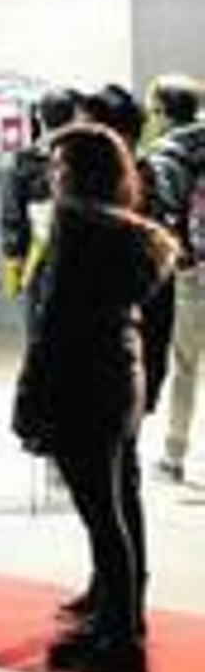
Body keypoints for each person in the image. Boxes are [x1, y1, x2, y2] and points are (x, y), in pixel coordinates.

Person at [13, 123, 176, 672]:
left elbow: (54, 324)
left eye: (60, 166)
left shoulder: (76, 228)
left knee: (102, 514)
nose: (52, 176)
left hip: (82, 382)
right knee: (118, 503)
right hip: (118, 374)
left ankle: (121, 642)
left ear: (77, 173)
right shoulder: (132, 232)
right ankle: (118, 620)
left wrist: (29, 399)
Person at [140, 74, 205, 482]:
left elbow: (160, 216)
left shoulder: (164, 154)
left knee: (186, 365)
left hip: (193, 272)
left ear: (162, 111)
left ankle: (174, 454)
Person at [1, 88, 82, 300]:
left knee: (41, 326)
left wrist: (13, 260)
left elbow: (13, 215)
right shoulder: (89, 157)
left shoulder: (26, 159)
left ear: (39, 117)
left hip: (40, 260)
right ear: (74, 117)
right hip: (82, 259)